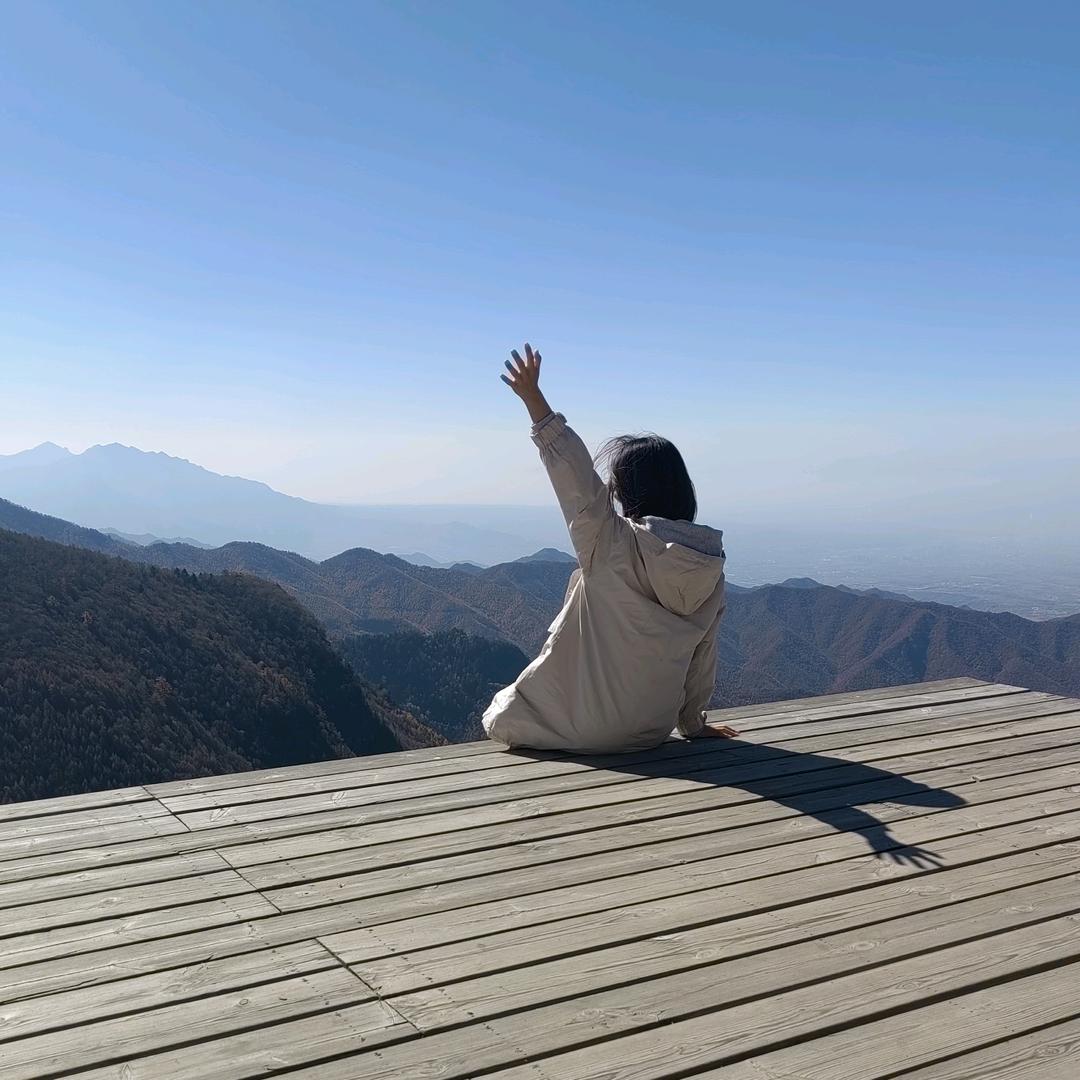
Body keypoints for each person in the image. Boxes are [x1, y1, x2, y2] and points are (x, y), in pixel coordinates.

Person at [482, 343, 738, 753]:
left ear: (626, 492)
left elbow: (576, 481)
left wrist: (535, 401)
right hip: (649, 732)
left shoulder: (611, 542)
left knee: (499, 714)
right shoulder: (709, 567)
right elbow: (702, 656)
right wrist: (692, 724)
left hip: (585, 730)